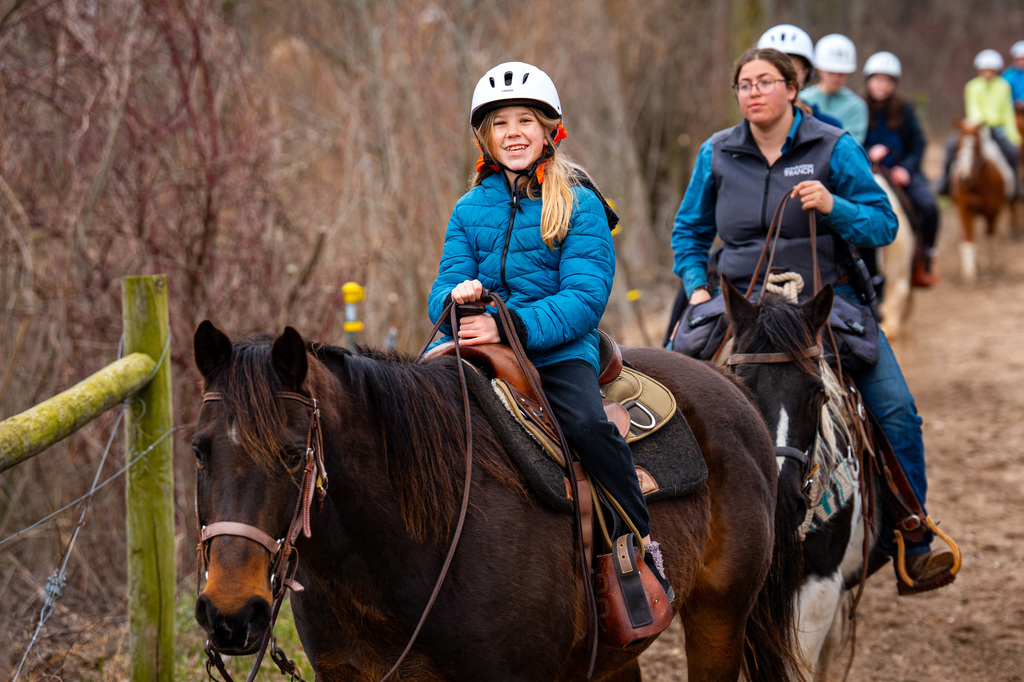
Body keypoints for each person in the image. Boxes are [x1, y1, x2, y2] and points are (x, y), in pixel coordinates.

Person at [671, 47, 955, 591]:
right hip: (739, 308)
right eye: (744, 84)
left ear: (793, 88)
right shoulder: (717, 152)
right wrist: (698, 288)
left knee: (896, 409)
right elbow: (688, 232)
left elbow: (883, 225)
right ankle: (647, 535)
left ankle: (913, 539)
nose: (753, 92)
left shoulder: (834, 147)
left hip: (823, 306)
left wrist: (833, 206)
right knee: (655, 397)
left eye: (765, 82)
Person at [427, 61, 673, 598]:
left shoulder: (581, 204)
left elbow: (583, 298)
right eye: (500, 124)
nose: (512, 133)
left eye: (524, 121)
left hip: (557, 348)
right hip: (476, 342)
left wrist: (509, 325)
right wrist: (456, 300)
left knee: (587, 427)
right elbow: (440, 289)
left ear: (549, 130)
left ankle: (639, 545)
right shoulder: (468, 209)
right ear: (484, 138)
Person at [862, 51, 941, 287]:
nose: (881, 85)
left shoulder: (905, 109)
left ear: (894, 84)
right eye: (877, 79)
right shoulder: (858, 106)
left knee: (928, 206)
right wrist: (867, 153)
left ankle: (926, 257)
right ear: (868, 80)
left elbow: (918, 143)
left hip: (900, 171)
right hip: (867, 171)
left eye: (887, 80)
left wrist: (906, 168)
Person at [940, 49, 1022, 196]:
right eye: (984, 70)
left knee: (1013, 153)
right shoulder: (972, 86)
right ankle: (945, 183)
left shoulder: (1003, 87)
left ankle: (1015, 188)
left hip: (997, 129)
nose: (988, 74)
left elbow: (1007, 112)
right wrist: (979, 123)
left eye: (991, 71)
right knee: (951, 147)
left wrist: (1013, 135)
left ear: (996, 71)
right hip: (975, 127)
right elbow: (973, 108)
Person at [757, 24, 843, 129]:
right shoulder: (747, 131)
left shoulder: (830, 129)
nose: (780, 79)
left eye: (790, 71)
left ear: (805, 73)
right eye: (771, 72)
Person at [801, 33, 868, 144]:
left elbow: (853, 143)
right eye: (831, 73)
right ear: (819, 69)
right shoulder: (803, 99)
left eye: (841, 74)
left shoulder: (856, 106)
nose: (836, 78)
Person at [1004, 40, 1024, 110]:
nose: (1021, 62)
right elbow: (1003, 91)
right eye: (1018, 60)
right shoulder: (1008, 74)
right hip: (1012, 110)